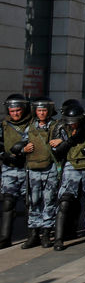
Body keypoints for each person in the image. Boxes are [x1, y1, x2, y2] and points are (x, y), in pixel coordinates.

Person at [52, 104, 85, 253]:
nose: (72, 124)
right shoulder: (62, 127)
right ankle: (58, 238)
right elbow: (56, 151)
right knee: (64, 201)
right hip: (72, 164)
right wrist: (63, 143)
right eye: (70, 121)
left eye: (75, 121)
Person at [20, 97, 61, 249]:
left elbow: (65, 141)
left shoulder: (56, 126)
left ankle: (46, 233)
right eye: (39, 110)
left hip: (49, 168)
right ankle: (33, 234)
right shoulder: (30, 127)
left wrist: (60, 142)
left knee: (49, 201)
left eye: (44, 110)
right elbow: (21, 144)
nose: (42, 113)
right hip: (33, 168)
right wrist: (24, 149)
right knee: (33, 201)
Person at [0, 94, 32, 249]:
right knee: (8, 202)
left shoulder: (32, 124)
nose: (15, 114)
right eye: (12, 111)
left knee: (30, 202)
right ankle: (5, 237)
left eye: (18, 110)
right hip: (10, 168)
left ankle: (33, 235)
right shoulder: (4, 125)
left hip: (28, 168)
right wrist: (6, 156)